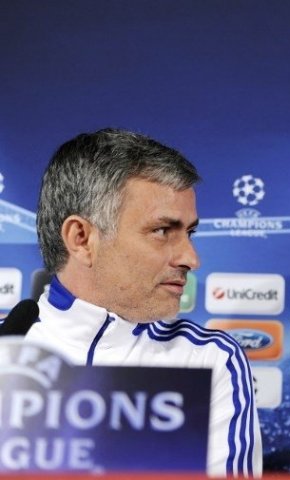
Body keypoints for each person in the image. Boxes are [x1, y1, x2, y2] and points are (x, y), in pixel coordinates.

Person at [25, 128, 262, 477]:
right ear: (81, 239)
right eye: (163, 231)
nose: (191, 258)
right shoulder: (9, 347)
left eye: (189, 233)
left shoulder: (210, 359)